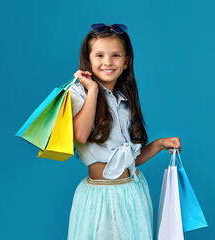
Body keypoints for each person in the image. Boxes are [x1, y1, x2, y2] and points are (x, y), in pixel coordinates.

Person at [67, 23, 182, 240]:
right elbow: (80, 136)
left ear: (126, 62)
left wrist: (159, 144)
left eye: (116, 55)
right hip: (98, 196)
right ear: (88, 60)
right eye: (99, 55)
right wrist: (92, 90)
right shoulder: (78, 93)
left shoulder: (125, 100)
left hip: (132, 192)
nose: (107, 62)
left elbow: (129, 161)